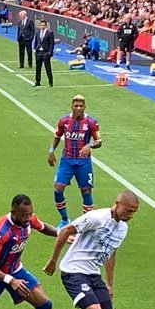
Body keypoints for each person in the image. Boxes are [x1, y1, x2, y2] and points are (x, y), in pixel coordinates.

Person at [42, 190, 139, 309]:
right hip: (73, 271)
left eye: (132, 213)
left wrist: (109, 284)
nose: (129, 216)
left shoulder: (122, 229)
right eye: (127, 211)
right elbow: (66, 230)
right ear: (117, 203)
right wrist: (53, 260)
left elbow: (111, 253)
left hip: (93, 274)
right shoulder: (96, 218)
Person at [48, 95, 102, 229]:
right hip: (66, 161)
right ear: (71, 106)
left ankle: (87, 223)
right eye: (76, 106)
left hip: (83, 163)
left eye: (81, 106)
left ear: (85, 107)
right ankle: (65, 219)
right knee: (58, 190)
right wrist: (51, 150)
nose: (78, 108)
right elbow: (57, 136)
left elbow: (99, 141)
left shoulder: (91, 122)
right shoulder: (64, 121)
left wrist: (89, 145)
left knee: (86, 191)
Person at [33, 19, 55, 87]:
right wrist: (35, 49)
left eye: (43, 25)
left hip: (46, 52)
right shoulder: (37, 32)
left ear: (46, 25)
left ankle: (50, 82)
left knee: (48, 68)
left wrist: (49, 52)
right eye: (41, 25)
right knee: (38, 68)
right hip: (39, 52)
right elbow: (36, 41)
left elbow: (52, 43)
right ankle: (37, 81)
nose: (42, 26)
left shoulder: (49, 33)